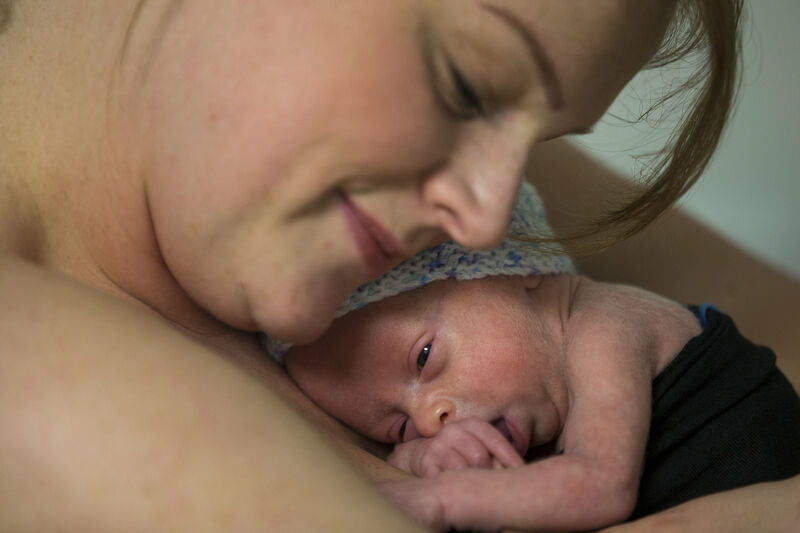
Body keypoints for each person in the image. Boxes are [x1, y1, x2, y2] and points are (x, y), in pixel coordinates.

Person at [3, 0, 798, 531]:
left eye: (537, 142)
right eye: (465, 84)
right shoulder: (29, 369)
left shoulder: (416, 180)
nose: (488, 220)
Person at [281, 183, 800, 532]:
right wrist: (418, 459)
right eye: (397, 427)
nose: (429, 417)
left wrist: (441, 499)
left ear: (512, 268)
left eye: (424, 358)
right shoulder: (525, 403)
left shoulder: (606, 323)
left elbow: (600, 485)